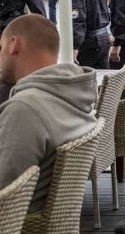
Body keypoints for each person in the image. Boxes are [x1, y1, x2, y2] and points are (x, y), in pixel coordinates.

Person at [0, 15, 97, 211]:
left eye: (0, 48)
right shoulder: (73, 95)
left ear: (13, 44)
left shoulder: (26, 108)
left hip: (15, 230)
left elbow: (6, 187)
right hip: (49, 225)